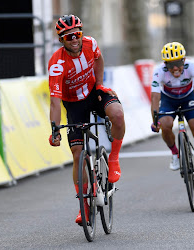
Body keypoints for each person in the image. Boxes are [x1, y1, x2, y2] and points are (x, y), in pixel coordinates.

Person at [48, 14, 125, 224]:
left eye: (77, 34)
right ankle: (84, 206)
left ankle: (114, 159)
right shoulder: (57, 64)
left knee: (117, 113)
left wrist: (99, 84)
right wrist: (54, 130)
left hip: (93, 92)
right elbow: (55, 102)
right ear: (61, 40)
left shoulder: (91, 44)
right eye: (68, 36)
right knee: (77, 154)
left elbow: (99, 59)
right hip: (73, 103)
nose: (74, 39)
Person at [150, 42, 194, 188]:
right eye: (171, 64)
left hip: (188, 98)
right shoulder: (159, 71)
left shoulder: (193, 67)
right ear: (165, 64)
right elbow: (155, 97)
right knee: (165, 124)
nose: (175, 68)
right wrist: (154, 121)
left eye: (178, 63)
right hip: (168, 100)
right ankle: (175, 153)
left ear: (184, 60)